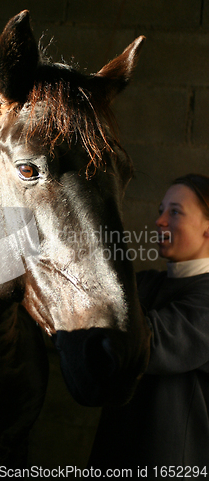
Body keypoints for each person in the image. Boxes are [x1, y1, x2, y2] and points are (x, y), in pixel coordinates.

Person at [88, 173, 209, 480]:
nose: (160, 221)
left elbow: (146, 345)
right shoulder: (146, 282)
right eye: (161, 210)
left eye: (175, 212)